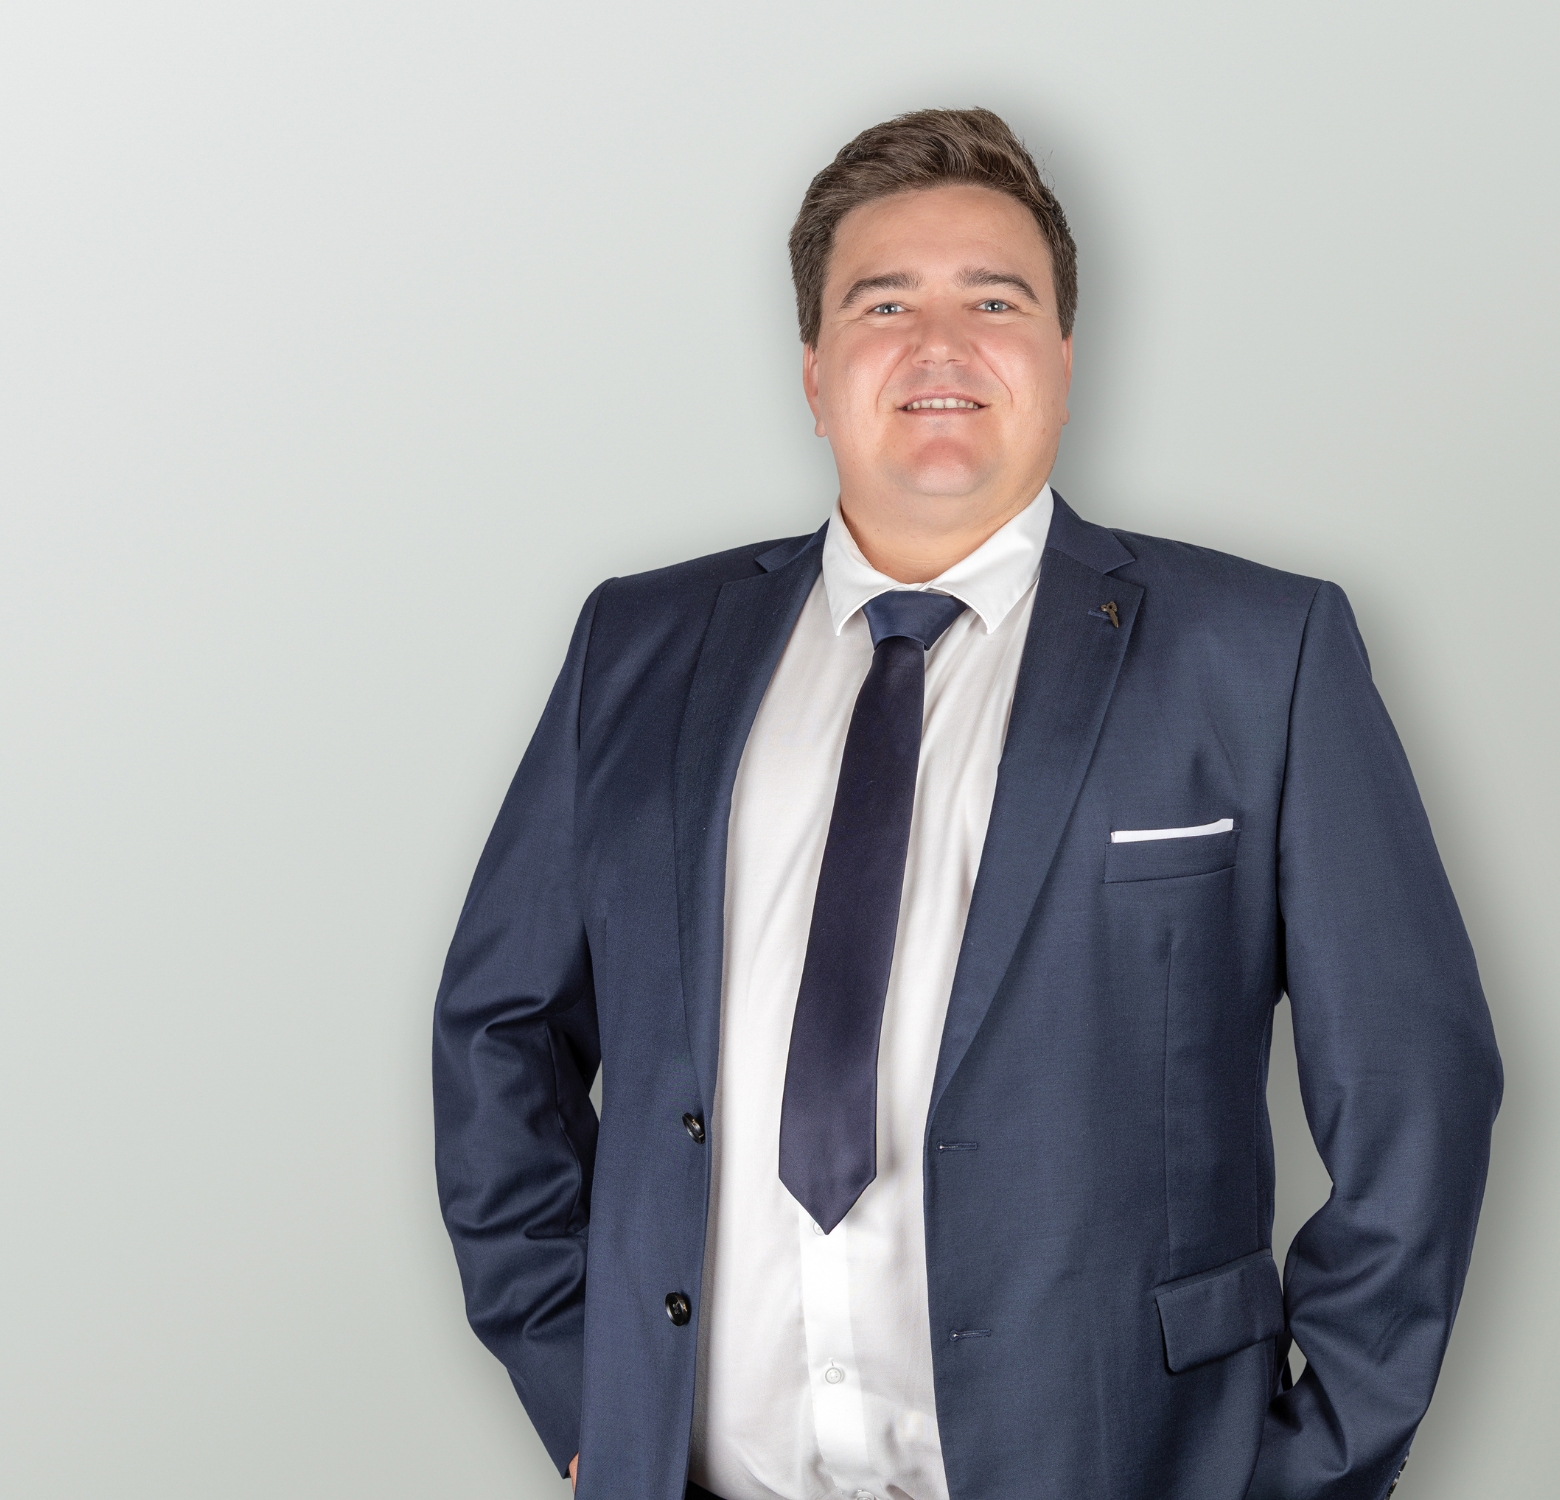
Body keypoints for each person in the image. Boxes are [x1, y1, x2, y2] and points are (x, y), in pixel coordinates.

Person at [432, 108, 1501, 1500]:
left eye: (995, 301)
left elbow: (1416, 1085)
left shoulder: (1260, 656)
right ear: (814, 372)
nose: (939, 345)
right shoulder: (640, 647)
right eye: (883, 304)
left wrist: (1313, 1469)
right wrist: (586, 1385)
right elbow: (498, 1034)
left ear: (1064, 359)